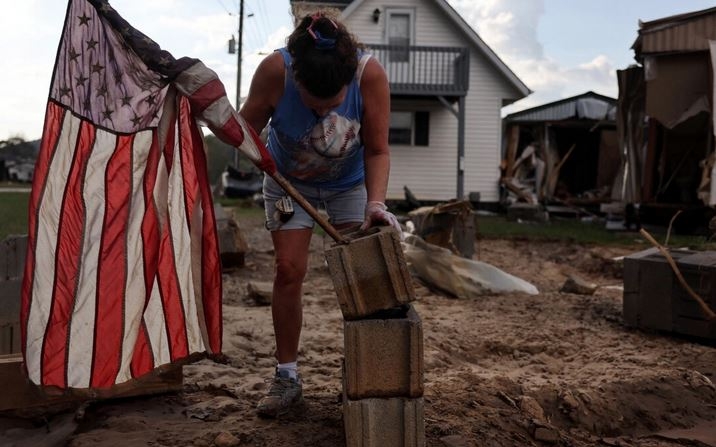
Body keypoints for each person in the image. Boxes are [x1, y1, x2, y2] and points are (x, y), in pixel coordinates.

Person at [239, 11, 401, 418]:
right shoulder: (275, 70)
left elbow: (378, 148)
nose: (326, 112)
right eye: (316, 105)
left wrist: (375, 204)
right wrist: (246, 148)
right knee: (289, 270)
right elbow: (244, 130)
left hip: (349, 185)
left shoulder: (370, 76)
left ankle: (368, 372)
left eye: (334, 104)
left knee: (366, 272)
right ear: (296, 80)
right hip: (287, 180)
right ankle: (287, 377)